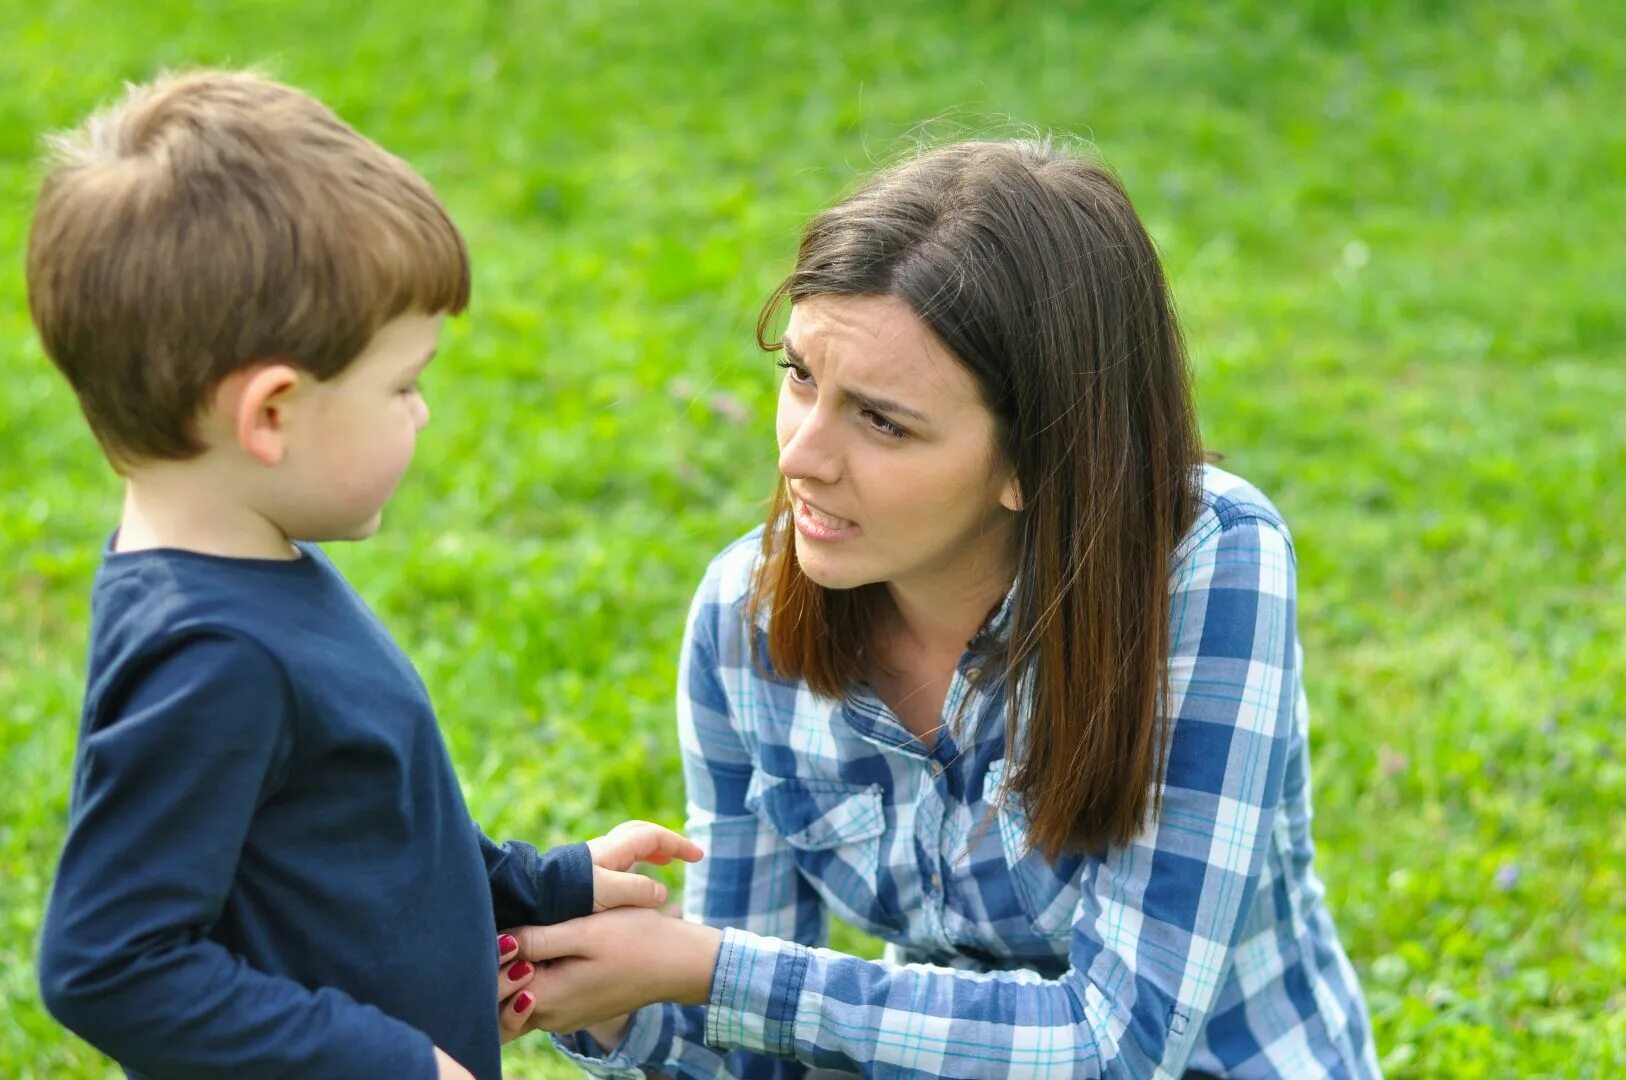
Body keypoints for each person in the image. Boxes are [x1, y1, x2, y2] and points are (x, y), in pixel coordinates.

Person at [497, 139, 1381, 1077]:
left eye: (882, 420)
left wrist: (709, 972)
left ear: (1034, 460)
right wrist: (606, 1000)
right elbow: (753, 1052)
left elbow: (1115, 1045)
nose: (800, 455)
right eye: (800, 376)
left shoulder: (1204, 566)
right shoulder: (744, 617)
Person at [28, 70, 700, 1080]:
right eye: (404, 384)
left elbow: (357, 824)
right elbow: (107, 963)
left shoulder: (251, 564)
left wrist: (541, 885)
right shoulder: (211, 656)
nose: (422, 413)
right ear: (272, 415)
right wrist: (384, 1060)